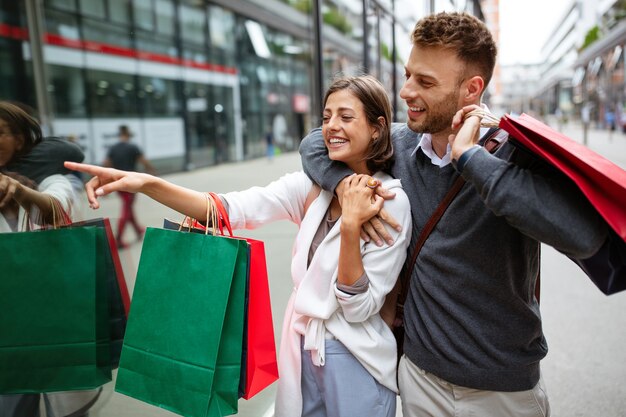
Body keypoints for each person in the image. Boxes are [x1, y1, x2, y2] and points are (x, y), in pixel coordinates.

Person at [298, 12, 608, 417]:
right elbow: (313, 144)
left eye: (425, 82)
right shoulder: (402, 144)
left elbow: (582, 235)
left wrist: (470, 159)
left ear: (471, 89)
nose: (406, 91)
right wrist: (346, 185)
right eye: (409, 75)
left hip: (503, 391)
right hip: (419, 379)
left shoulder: (516, 154)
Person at [66, 75, 412, 417]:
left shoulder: (391, 202)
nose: (331, 126)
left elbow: (358, 308)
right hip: (303, 348)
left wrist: (350, 225)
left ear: (378, 127)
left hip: (357, 358)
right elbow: (228, 208)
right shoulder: (312, 188)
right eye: (326, 117)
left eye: (346, 117)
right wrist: (146, 184)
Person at [0, 101, 102, 417]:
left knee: (67, 405)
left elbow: (56, 209)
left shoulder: (50, 179)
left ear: (20, 139)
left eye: (0, 133)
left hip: (52, 320)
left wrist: (19, 191)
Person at [104, 124, 156, 248]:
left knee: (128, 207)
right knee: (126, 209)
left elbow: (106, 164)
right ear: (128, 134)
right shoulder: (133, 147)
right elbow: (143, 160)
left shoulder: (113, 148)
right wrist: (151, 169)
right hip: (130, 183)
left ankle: (138, 230)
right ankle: (118, 238)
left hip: (117, 182)